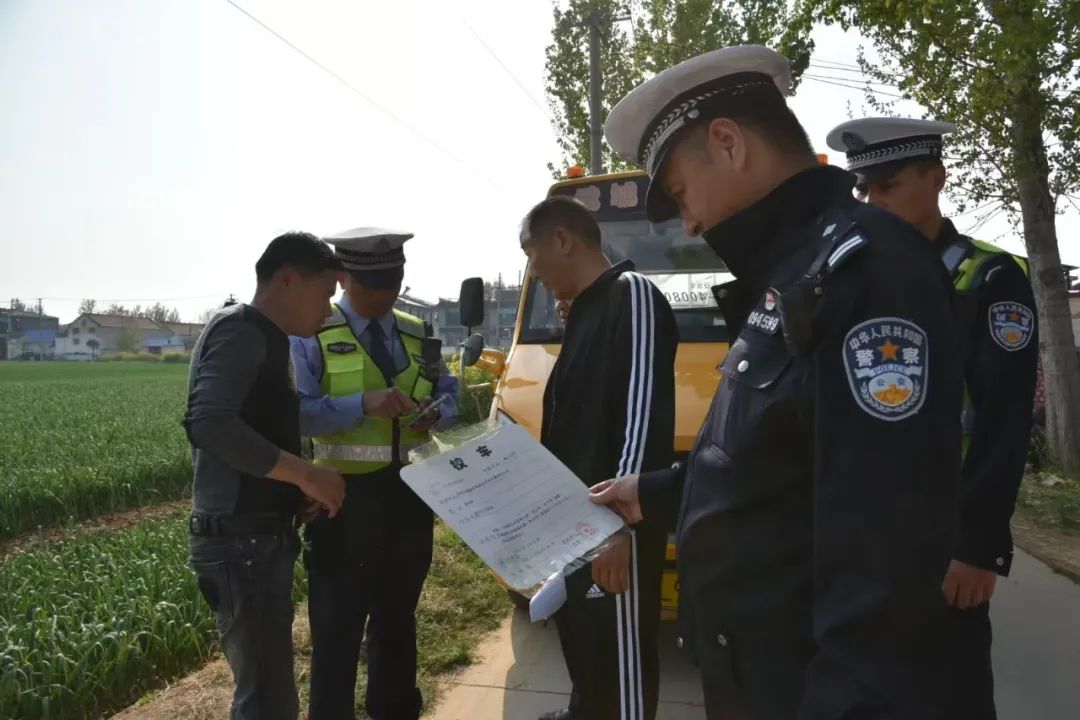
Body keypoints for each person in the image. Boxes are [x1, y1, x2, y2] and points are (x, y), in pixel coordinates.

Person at [591, 45, 967, 718]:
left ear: (728, 143)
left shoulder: (866, 273)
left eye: (680, 193)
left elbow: (884, 563)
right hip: (757, 675)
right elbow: (777, 465)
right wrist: (648, 493)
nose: (692, 221)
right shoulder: (793, 275)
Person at [826, 117, 1040, 718]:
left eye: (889, 186)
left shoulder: (987, 277)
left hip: (945, 536)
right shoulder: (858, 274)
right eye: (865, 191)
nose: (875, 202)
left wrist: (979, 546)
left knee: (950, 692)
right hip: (865, 532)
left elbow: (1004, 418)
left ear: (936, 177)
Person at [290, 227, 459, 720]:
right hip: (341, 503)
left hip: (410, 498)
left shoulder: (416, 330)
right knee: (337, 631)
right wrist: (362, 404)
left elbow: (449, 390)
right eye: (373, 286)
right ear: (343, 278)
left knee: (397, 621)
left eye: (393, 282)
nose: (385, 295)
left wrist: (439, 411)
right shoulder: (311, 333)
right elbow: (298, 411)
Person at [522, 196, 677, 720]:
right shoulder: (586, 312)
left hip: (612, 529)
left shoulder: (631, 295)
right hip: (578, 528)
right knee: (587, 650)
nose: (534, 271)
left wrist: (619, 529)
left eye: (532, 254)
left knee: (620, 665)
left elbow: (640, 420)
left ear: (563, 240)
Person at [185, 231, 347, 720]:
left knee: (270, 690)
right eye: (326, 295)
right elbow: (208, 422)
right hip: (240, 547)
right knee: (267, 699)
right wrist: (305, 474)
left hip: (255, 539)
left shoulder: (267, 338)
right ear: (288, 279)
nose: (328, 312)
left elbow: (253, 433)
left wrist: (291, 493)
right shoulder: (242, 331)